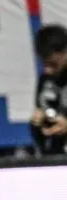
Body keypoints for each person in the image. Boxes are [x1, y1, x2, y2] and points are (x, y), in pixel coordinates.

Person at [31, 24, 67, 157]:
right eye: (44, 64)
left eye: (53, 64)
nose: (48, 70)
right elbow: (44, 110)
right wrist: (40, 122)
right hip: (56, 154)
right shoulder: (46, 79)